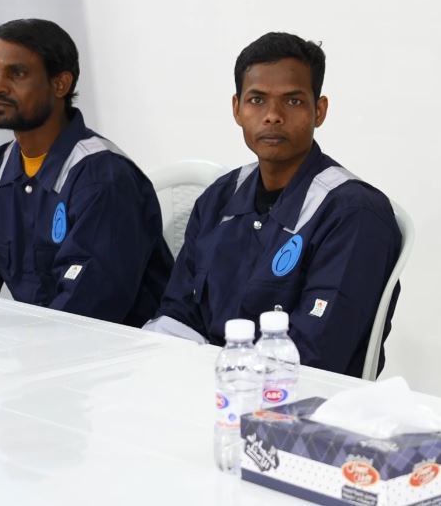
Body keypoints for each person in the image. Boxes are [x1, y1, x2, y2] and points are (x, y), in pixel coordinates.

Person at [146, 32, 402, 377]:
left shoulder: (353, 213)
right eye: (257, 100)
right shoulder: (218, 198)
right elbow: (177, 316)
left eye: (293, 101)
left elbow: (315, 358)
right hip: (205, 393)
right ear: (237, 109)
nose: (273, 116)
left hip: (296, 412)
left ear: (320, 110)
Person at [0, 18, 173, 326]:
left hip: (117, 362)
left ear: (60, 84)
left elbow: (84, 313)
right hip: (43, 354)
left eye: (17, 73)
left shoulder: (104, 179)